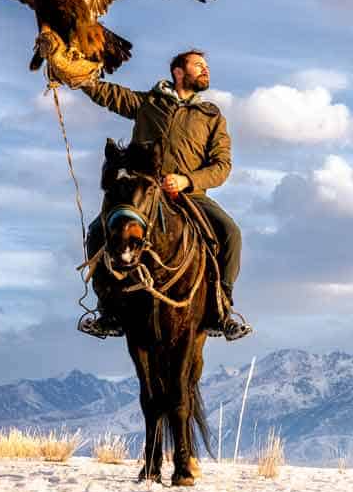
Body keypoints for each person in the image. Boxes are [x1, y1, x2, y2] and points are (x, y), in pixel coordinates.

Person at [65, 49, 250, 341]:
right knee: (97, 231)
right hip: (142, 192)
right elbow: (107, 93)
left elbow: (222, 166)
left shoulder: (211, 116)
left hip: (190, 195)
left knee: (231, 233)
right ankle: (107, 311)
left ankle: (221, 310)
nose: (206, 71)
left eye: (207, 66)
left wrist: (187, 180)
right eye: (198, 66)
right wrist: (76, 76)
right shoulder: (147, 103)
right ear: (178, 72)